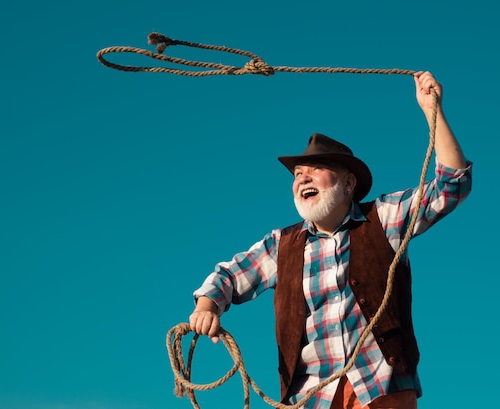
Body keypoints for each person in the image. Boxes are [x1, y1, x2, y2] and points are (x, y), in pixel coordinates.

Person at [189, 71, 472, 409]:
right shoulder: (282, 245)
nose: (302, 178)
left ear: (349, 183)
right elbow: (229, 276)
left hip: (380, 389)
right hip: (309, 398)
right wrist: (207, 307)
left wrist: (432, 111)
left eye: (315, 169)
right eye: (297, 175)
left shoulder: (382, 219)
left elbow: (451, 187)